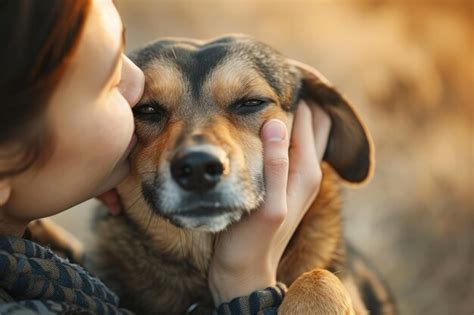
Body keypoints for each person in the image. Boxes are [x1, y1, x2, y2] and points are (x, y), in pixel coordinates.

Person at [0, 0, 331, 314]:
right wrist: (245, 286)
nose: (136, 83)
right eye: (109, 80)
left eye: (248, 103)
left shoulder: (42, 256)